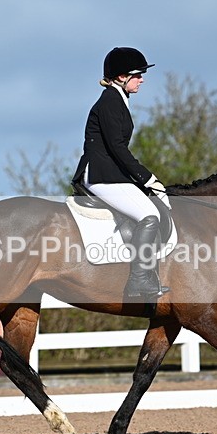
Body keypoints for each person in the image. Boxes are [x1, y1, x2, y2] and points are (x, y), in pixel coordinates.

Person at [72, 47, 171, 298]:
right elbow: (117, 147)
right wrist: (147, 178)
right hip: (101, 175)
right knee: (149, 214)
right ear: (121, 77)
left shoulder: (118, 99)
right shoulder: (110, 101)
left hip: (111, 173)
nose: (142, 79)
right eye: (137, 75)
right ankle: (139, 280)